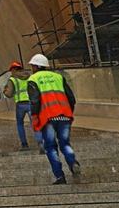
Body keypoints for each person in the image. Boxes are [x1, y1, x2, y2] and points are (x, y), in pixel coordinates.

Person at [27, 53, 80, 185]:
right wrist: (68, 112)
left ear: (36, 66)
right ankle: (72, 162)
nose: (31, 68)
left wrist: (34, 117)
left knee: (50, 147)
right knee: (65, 143)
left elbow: (35, 101)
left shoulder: (33, 79)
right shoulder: (58, 77)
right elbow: (71, 98)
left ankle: (59, 176)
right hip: (64, 115)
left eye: (32, 65)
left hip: (48, 117)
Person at [4, 61, 41, 152]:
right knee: (35, 123)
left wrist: (5, 91)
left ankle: (24, 144)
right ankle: (41, 143)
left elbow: (9, 94)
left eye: (11, 70)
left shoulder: (12, 79)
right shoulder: (30, 77)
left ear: (13, 69)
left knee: (20, 124)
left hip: (20, 105)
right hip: (30, 103)